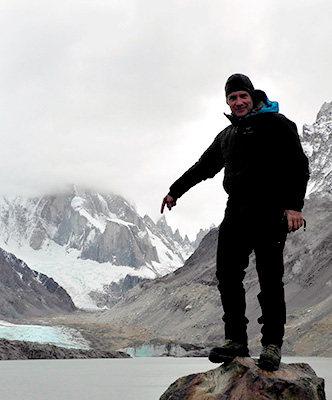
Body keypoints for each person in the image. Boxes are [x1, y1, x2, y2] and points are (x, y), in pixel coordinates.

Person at [160, 73, 309, 371]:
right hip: (236, 212)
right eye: (232, 98)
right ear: (227, 101)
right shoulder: (227, 136)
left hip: (271, 211)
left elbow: (299, 165)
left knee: (269, 279)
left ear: (252, 97)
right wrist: (175, 190)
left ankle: (271, 344)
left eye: (243, 96)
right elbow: (204, 166)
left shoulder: (278, 124)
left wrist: (294, 206)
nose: (238, 102)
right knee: (227, 276)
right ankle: (236, 341)